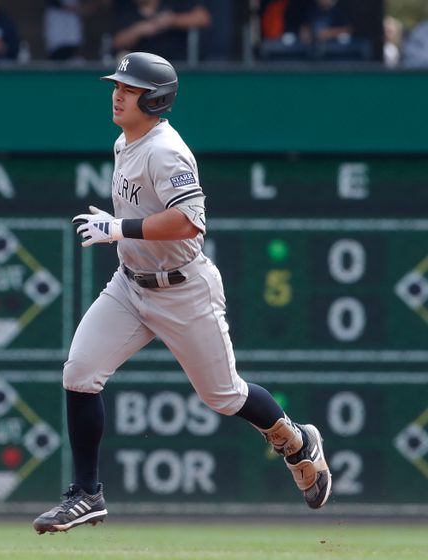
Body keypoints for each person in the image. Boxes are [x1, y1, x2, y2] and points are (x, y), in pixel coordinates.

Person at [32, 52, 332, 534]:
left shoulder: (165, 150)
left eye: (128, 89)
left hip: (183, 289)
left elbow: (191, 221)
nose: (117, 94)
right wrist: (122, 234)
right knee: (80, 373)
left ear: (155, 98)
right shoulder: (125, 143)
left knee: (224, 396)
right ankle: (87, 494)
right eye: (118, 86)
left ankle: (295, 441)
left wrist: (120, 227)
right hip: (129, 285)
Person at [112, 0, 211, 62]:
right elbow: (116, 42)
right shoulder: (125, 9)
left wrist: (172, 20)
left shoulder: (172, 4)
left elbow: (203, 18)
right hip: (143, 70)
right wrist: (138, 30)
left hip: (178, 65)